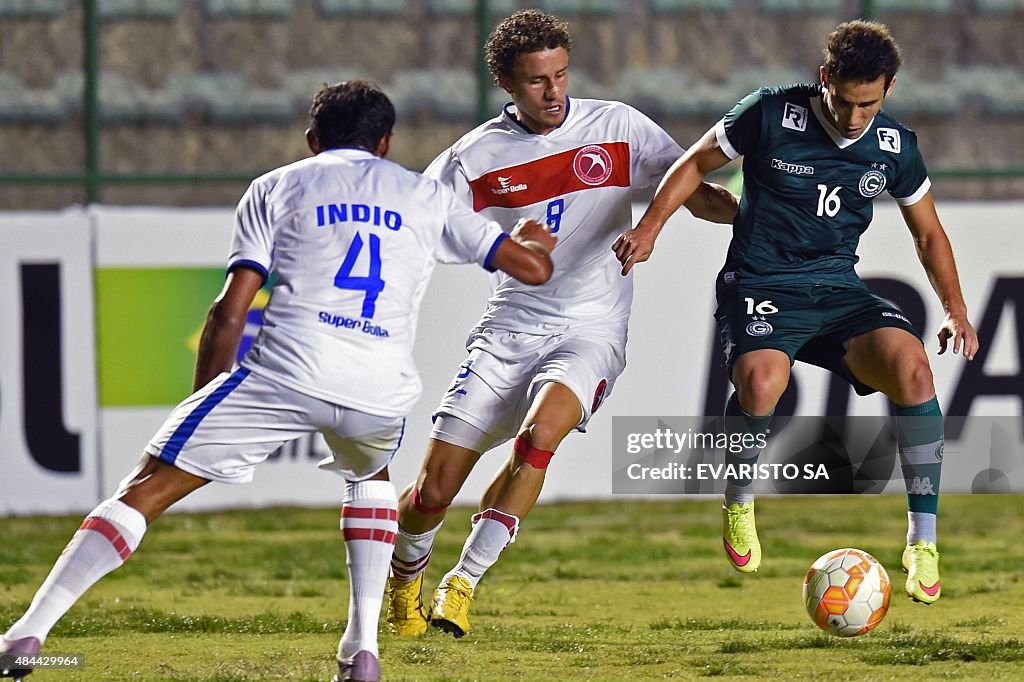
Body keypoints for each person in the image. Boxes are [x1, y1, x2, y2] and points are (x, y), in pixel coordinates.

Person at [0, 80, 557, 682]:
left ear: (313, 140)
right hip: (379, 387)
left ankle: (28, 633)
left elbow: (231, 309)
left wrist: (204, 400)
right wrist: (532, 240)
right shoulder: (425, 195)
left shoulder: (277, 185)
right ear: (387, 143)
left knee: (149, 484)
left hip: (289, 370)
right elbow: (532, 269)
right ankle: (361, 648)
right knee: (370, 474)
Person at [384, 10, 738, 639]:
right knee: (433, 491)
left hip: (591, 330)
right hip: (508, 332)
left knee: (539, 436)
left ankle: (462, 583)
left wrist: (754, 215)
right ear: (508, 85)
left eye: (561, 74)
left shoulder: (617, 126)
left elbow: (690, 190)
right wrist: (498, 243)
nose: (554, 92)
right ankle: (405, 573)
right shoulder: (472, 158)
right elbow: (421, 225)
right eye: (537, 82)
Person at [613, 20, 979, 604]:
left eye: (871, 104)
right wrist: (650, 228)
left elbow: (929, 234)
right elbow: (691, 164)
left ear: (887, 91)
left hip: (835, 289)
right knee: (762, 384)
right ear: (824, 77)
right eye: (845, 101)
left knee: (914, 370)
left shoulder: (895, 147)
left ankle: (923, 540)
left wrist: (955, 310)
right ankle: (738, 497)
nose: (855, 118)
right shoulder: (768, 113)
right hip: (759, 281)